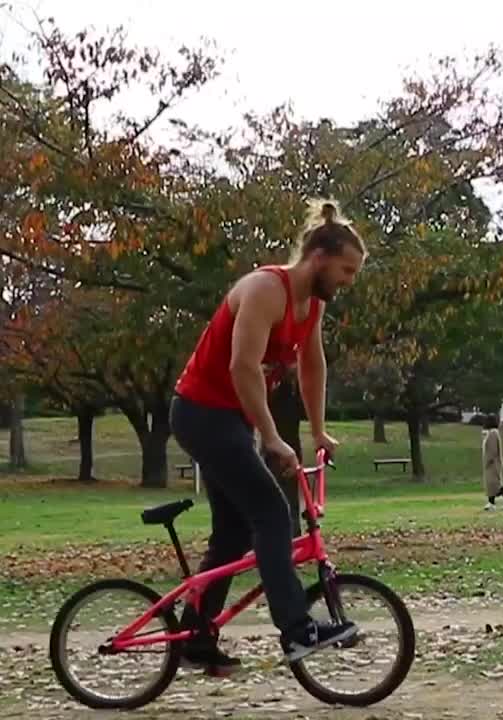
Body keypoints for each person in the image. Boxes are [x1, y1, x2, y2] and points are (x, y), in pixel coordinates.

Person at [169, 199, 365, 675]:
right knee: (274, 513)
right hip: (200, 413)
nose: (348, 282)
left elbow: (313, 367)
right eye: (346, 270)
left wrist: (317, 430)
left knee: (234, 532)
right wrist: (273, 437)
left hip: (230, 419)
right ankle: (297, 629)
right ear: (319, 257)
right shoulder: (264, 289)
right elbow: (242, 366)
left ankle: (195, 634)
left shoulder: (309, 305)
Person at [482, 414, 503, 511]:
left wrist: (488, 460)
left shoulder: (493, 433)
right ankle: (491, 503)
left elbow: (492, 450)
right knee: (491, 484)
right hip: (492, 463)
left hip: (493, 463)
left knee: (495, 484)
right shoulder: (492, 433)